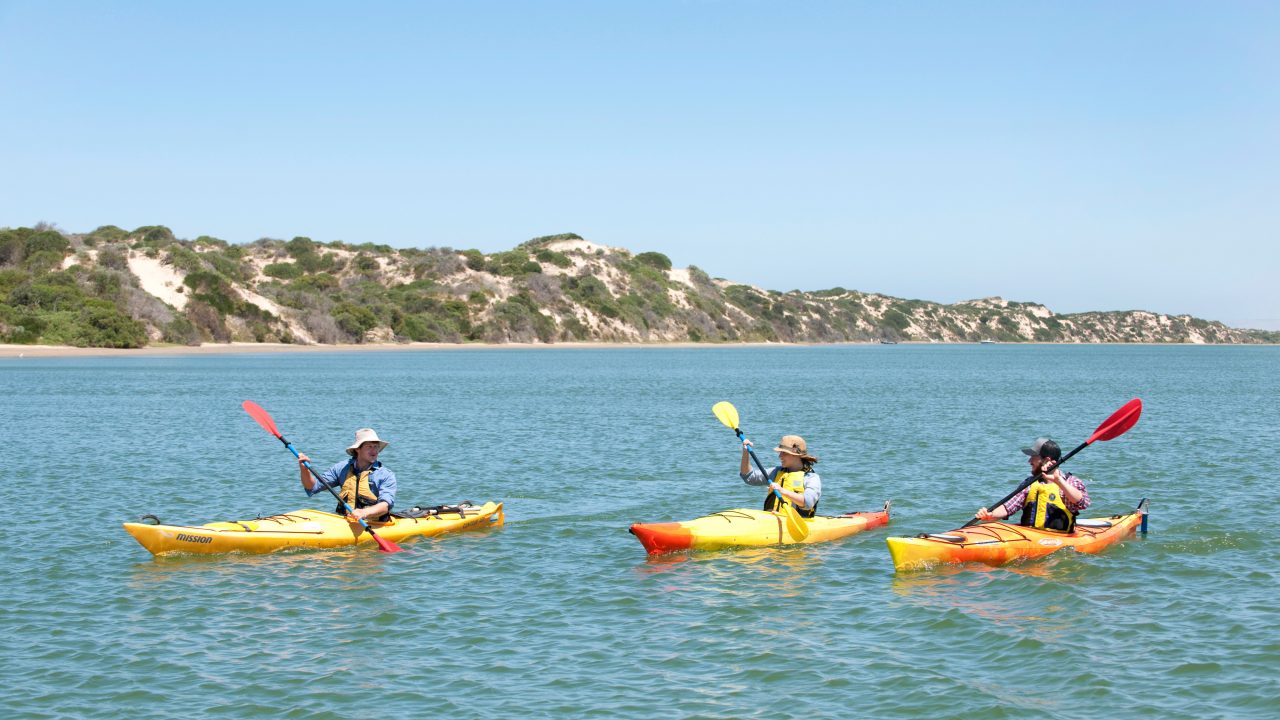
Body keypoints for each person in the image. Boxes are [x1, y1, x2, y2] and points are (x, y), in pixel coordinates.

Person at [974, 437, 1090, 531]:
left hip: (1060, 539)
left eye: (1033, 457)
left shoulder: (1071, 482)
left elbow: (1082, 503)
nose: (1029, 461)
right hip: (1031, 538)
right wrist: (990, 515)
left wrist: (1059, 481)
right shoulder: (1029, 483)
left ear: (1047, 460)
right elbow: (1008, 507)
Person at [297, 428, 398, 522]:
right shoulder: (342, 468)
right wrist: (305, 469)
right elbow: (312, 487)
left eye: (376, 447)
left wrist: (363, 513)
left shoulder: (386, 475)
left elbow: (385, 505)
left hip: (374, 525)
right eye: (369, 447)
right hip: (345, 522)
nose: (374, 451)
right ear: (357, 449)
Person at [740, 435, 822, 517]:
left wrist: (782, 490)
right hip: (773, 521)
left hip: (797, 523)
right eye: (780, 452)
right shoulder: (776, 472)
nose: (780, 456)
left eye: (784, 453)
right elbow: (749, 477)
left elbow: (808, 502)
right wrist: (746, 452)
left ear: (795, 454)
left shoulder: (811, 478)